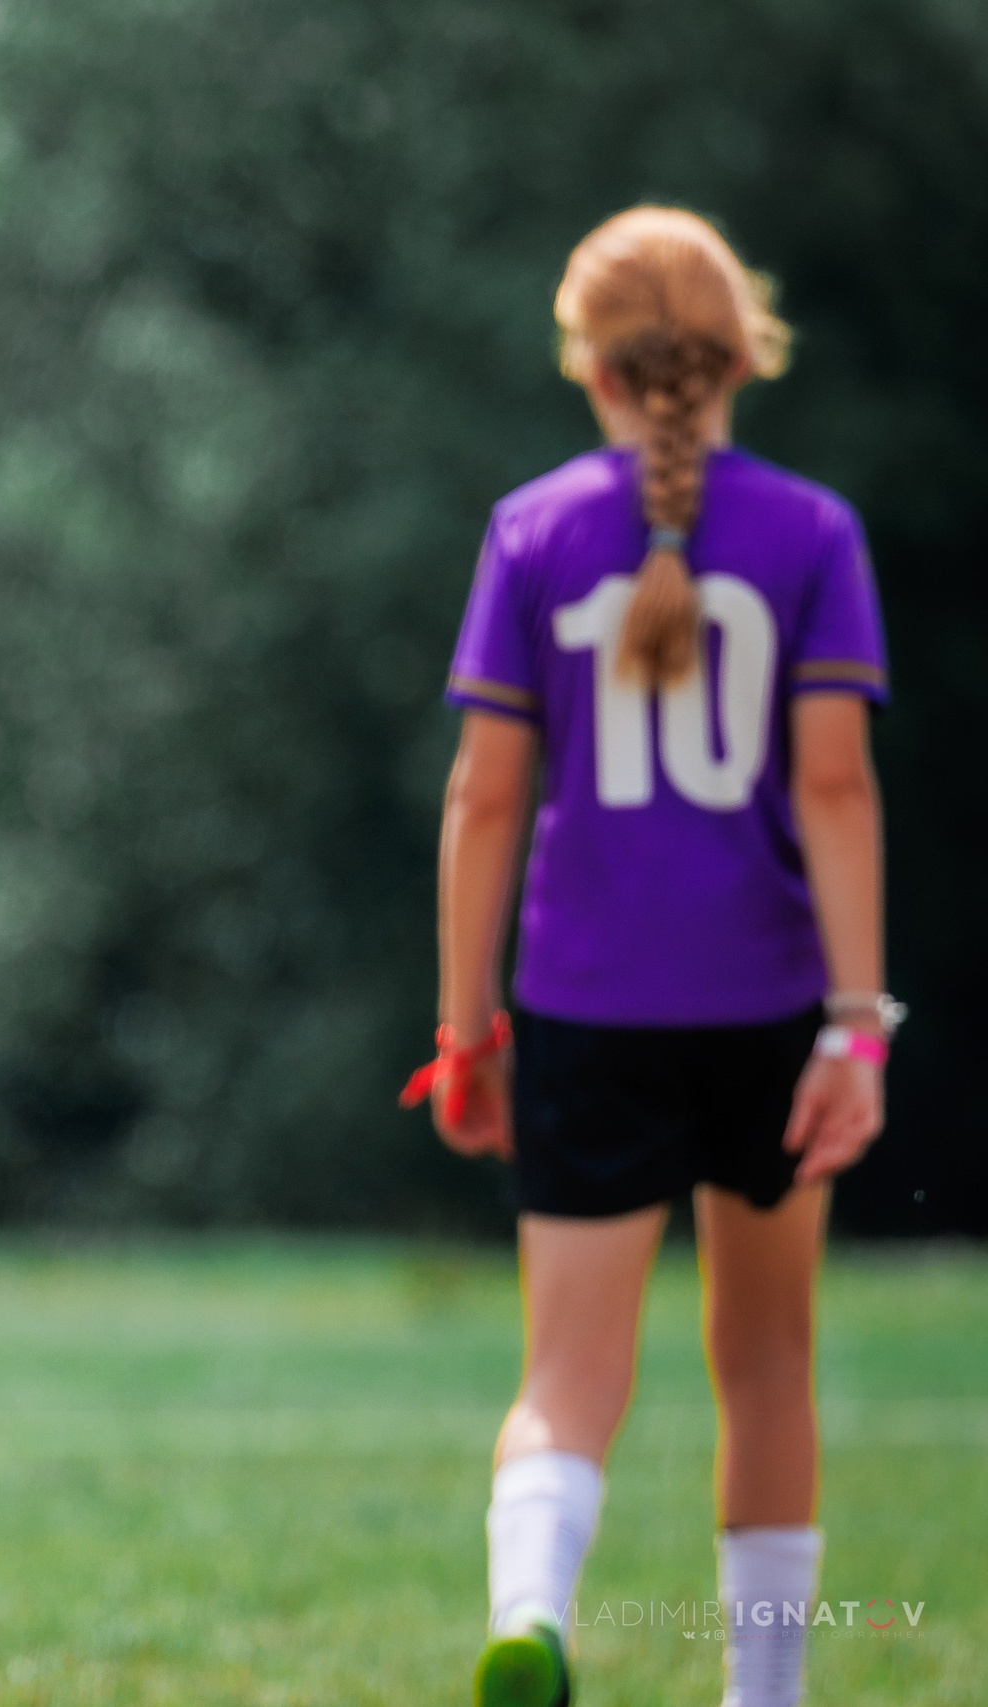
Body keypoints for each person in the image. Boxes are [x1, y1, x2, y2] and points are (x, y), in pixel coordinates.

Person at [408, 207, 894, 1707]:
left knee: (568, 1372)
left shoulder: (533, 529)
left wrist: (465, 1026)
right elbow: (834, 788)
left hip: (586, 1008)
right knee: (766, 1360)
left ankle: (535, 1612)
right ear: (746, 350)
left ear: (590, 366)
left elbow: (487, 796)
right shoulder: (812, 531)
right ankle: (765, 1690)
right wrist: (859, 1024)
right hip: (769, 1009)